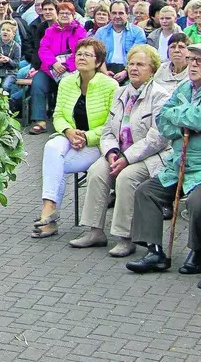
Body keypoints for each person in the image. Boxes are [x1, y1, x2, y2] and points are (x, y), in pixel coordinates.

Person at [125, 43, 201, 275]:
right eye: (192, 59)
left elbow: (198, 118)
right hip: (178, 162)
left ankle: (199, 252)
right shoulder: (184, 88)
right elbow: (163, 118)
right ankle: (155, 251)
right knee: (146, 192)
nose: (194, 65)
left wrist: (187, 120)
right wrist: (184, 127)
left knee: (199, 202)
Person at [72, 45, 174, 255]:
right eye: (131, 64)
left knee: (126, 178)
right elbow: (108, 130)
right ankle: (95, 231)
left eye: (141, 65)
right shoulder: (121, 92)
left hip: (149, 157)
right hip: (118, 153)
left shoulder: (161, 96)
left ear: (152, 69)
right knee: (96, 171)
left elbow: (158, 138)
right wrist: (110, 152)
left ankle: (125, 237)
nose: (134, 68)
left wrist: (126, 158)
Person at [32, 39, 118, 238]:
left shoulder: (110, 86)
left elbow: (111, 125)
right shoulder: (67, 81)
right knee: (52, 146)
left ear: (98, 62)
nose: (81, 58)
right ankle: (49, 209)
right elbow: (58, 114)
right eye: (79, 54)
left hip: (96, 142)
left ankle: (49, 218)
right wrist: (69, 132)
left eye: (88, 55)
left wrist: (86, 137)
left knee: (55, 164)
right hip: (69, 136)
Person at [30, 0, 87, 134]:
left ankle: (67, 122)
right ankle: (40, 121)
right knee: (37, 84)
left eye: (68, 13)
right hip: (49, 69)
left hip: (70, 70)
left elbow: (81, 51)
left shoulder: (79, 32)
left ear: (73, 15)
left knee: (68, 88)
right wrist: (54, 63)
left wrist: (66, 66)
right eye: (62, 13)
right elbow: (43, 49)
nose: (65, 15)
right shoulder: (50, 31)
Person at [93, 0, 149, 81]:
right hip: (105, 69)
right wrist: (105, 73)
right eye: (114, 13)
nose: (117, 16)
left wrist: (125, 72)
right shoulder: (101, 32)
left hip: (129, 70)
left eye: (121, 13)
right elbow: (98, 55)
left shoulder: (137, 32)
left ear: (127, 14)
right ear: (110, 15)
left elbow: (138, 56)